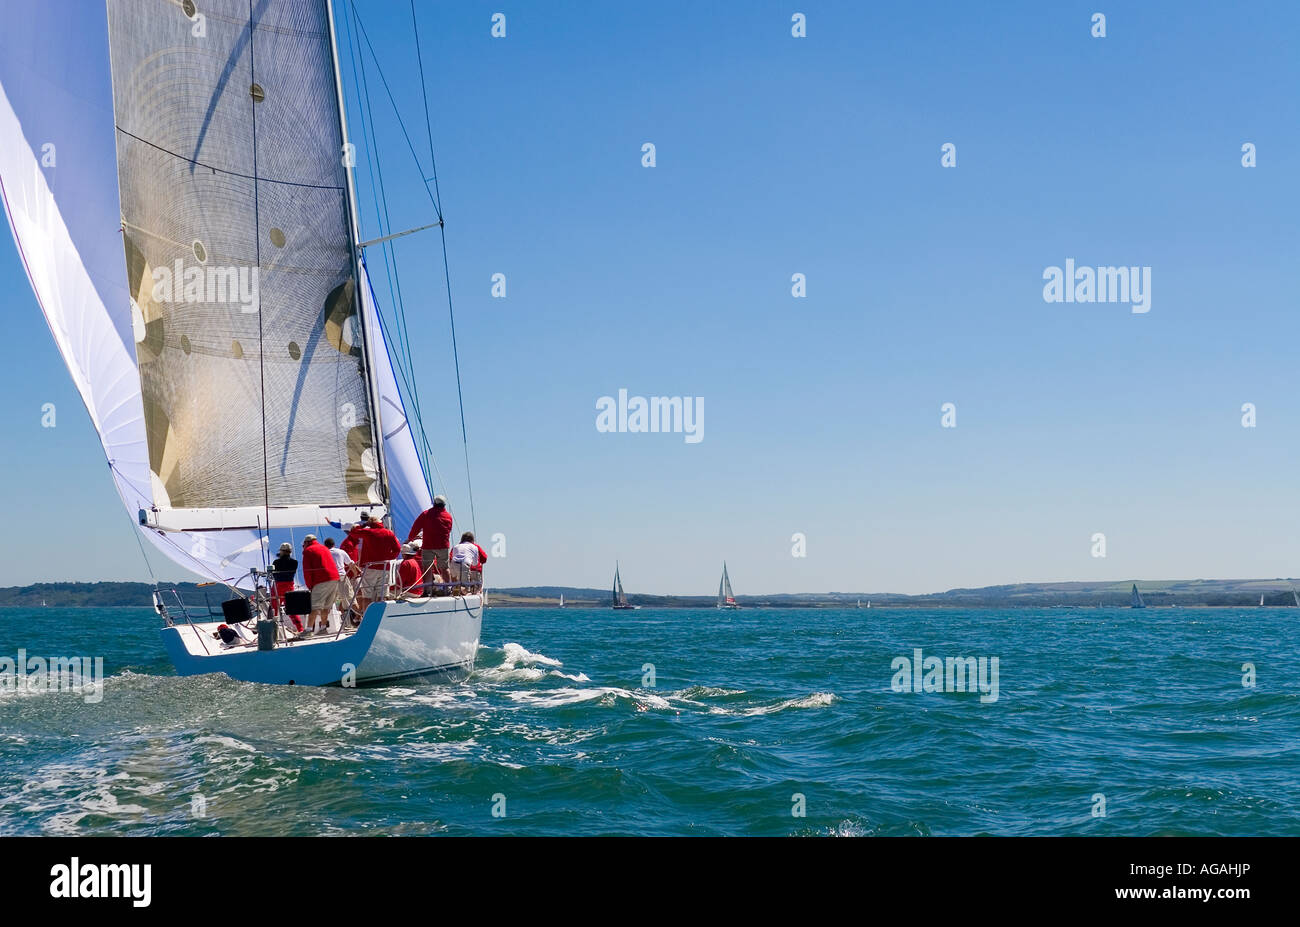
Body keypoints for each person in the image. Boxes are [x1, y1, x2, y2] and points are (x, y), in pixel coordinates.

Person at [347, 512, 401, 621]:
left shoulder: (368, 532)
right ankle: (381, 618)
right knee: (382, 595)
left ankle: (367, 619)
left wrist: (362, 525)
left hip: (370, 568)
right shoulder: (389, 533)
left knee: (367, 595)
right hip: (385, 567)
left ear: (370, 524)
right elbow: (397, 549)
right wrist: (389, 557)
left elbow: (353, 532)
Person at [407, 495, 453, 595]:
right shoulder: (448, 516)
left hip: (428, 545)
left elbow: (416, 527)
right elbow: (449, 530)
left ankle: (427, 590)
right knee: (445, 568)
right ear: (444, 505)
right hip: (443, 546)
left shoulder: (426, 514)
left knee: (427, 567)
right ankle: (448, 589)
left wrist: (410, 539)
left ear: (434, 504)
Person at [300, 535, 340, 634]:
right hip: (334, 578)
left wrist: (310, 586)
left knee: (315, 606)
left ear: (306, 543)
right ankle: (323, 628)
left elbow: (307, 571)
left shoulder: (308, 551)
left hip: (321, 580)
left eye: (303, 544)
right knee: (326, 606)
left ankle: (308, 630)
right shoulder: (324, 548)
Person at [324, 537, 360, 623]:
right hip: (341, 577)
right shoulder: (341, 552)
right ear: (334, 544)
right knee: (351, 599)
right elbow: (351, 564)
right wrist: (355, 574)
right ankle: (359, 618)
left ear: (325, 545)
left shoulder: (324, 553)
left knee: (330, 602)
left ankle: (329, 624)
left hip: (329, 579)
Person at [270, 542, 300, 629]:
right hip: (289, 587)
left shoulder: (276, 562)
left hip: (277, 587)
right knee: (291, 609)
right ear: (290, 552)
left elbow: (273, 574)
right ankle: (299, 628)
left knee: (274, 608)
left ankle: (273, 628)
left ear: (281, 551)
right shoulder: (295, 562)